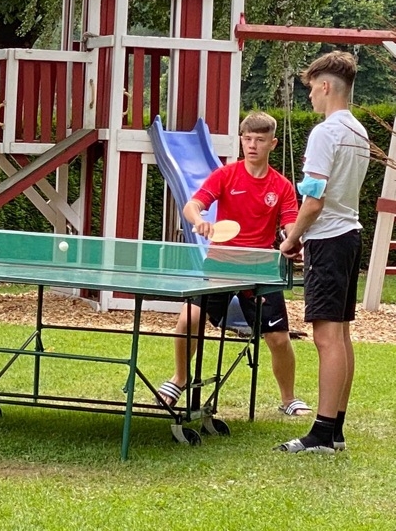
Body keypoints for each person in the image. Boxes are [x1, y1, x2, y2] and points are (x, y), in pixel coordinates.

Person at [155, 112, 305, 416]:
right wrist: (198, 220)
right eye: (247, 139)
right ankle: (179, 379)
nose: (252, 145)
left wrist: (292, 241)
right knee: (188, 320)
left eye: (260, 140)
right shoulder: (226, 175)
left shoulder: (282, 186)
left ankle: (289, 399)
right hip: (220, 264)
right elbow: (192, 205)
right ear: (241, 141)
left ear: (272, 143)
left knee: (278, 339)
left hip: (260, 267)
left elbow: (291, 223)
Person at [275, 51, 369, 454]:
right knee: (341, 335)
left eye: (312, 88)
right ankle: (336, 429)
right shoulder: (359, 131)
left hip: (328, 241)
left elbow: (313, 200)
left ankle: (322, 433)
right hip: (350, 236)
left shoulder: (325, 132)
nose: (310, 96)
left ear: (326, 86)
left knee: (326, 338)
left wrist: (291, 238)